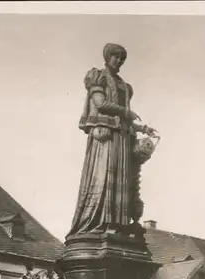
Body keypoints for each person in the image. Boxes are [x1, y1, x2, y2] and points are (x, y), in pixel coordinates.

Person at [67, 43, 158, 238]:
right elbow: (100, 104)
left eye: (121, 58)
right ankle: (101, 221)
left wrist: (142, 128)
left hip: (122, 138)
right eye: (115, 56)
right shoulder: (98, 76)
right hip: (106, 138)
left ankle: (118, 223)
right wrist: (127, 112)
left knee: (121, 182)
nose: (118, 61)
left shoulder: (124, 85)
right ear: (107, 57)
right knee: (105, 177)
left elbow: (124, 119)